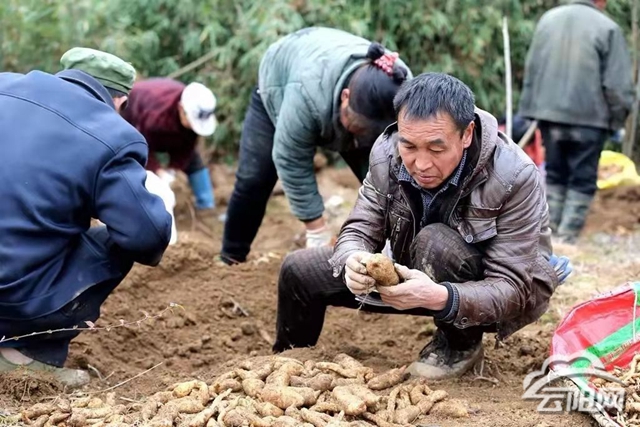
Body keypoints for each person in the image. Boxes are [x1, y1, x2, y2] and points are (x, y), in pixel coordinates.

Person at [272, 73, 572, 380]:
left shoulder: (514, 176)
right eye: (410, 146)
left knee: (435, 243)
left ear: (467, 134)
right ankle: (288, 361)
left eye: (436, 149)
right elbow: (360, 226)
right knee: (299, 271)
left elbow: (512, 286)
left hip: (484, 290)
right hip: (412, 271)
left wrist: (440, 297)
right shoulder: (387, 152)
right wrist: (352, 258)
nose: (421, 164)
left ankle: (458, 346)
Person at [0, 48, 172, 387]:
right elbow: (148, 236)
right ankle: (21, 355)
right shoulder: (113, 135)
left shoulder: (5, 85)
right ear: (120, 101)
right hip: (15, 296)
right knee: (118, 239)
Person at [220, 27, 412, 265]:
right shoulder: (306, 95)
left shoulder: (401, 87)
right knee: (254, 179)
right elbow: (291, 159)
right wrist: (317, 231)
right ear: (345, 97)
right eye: (359, 129)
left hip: (349, 101)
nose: (362, 138)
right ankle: (230, 258)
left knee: (389, 181)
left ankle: (400, 254)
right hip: (282, 84)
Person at [519, 0, 634, 243]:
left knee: (555, 174)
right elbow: (617, 85)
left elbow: (532, 69)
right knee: (582, 178)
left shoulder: (548, 20)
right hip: (589, 118)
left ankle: (549, 233)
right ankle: (568, 235)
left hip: (549, 115)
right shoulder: (607, 27)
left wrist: (530, 111)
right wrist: (617, 120)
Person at [121, 78, 218, 220]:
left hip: (169, 127)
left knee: (193, 160)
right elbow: (140, 145)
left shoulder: (192, 106)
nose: (194, 127)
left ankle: (206, 207)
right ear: (181, 109)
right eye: (192, 122)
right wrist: (158, 171)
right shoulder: (155, 116)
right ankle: (139, 207)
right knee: (134, 163)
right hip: (133, 118)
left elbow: (187, 148)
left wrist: (174, 170)